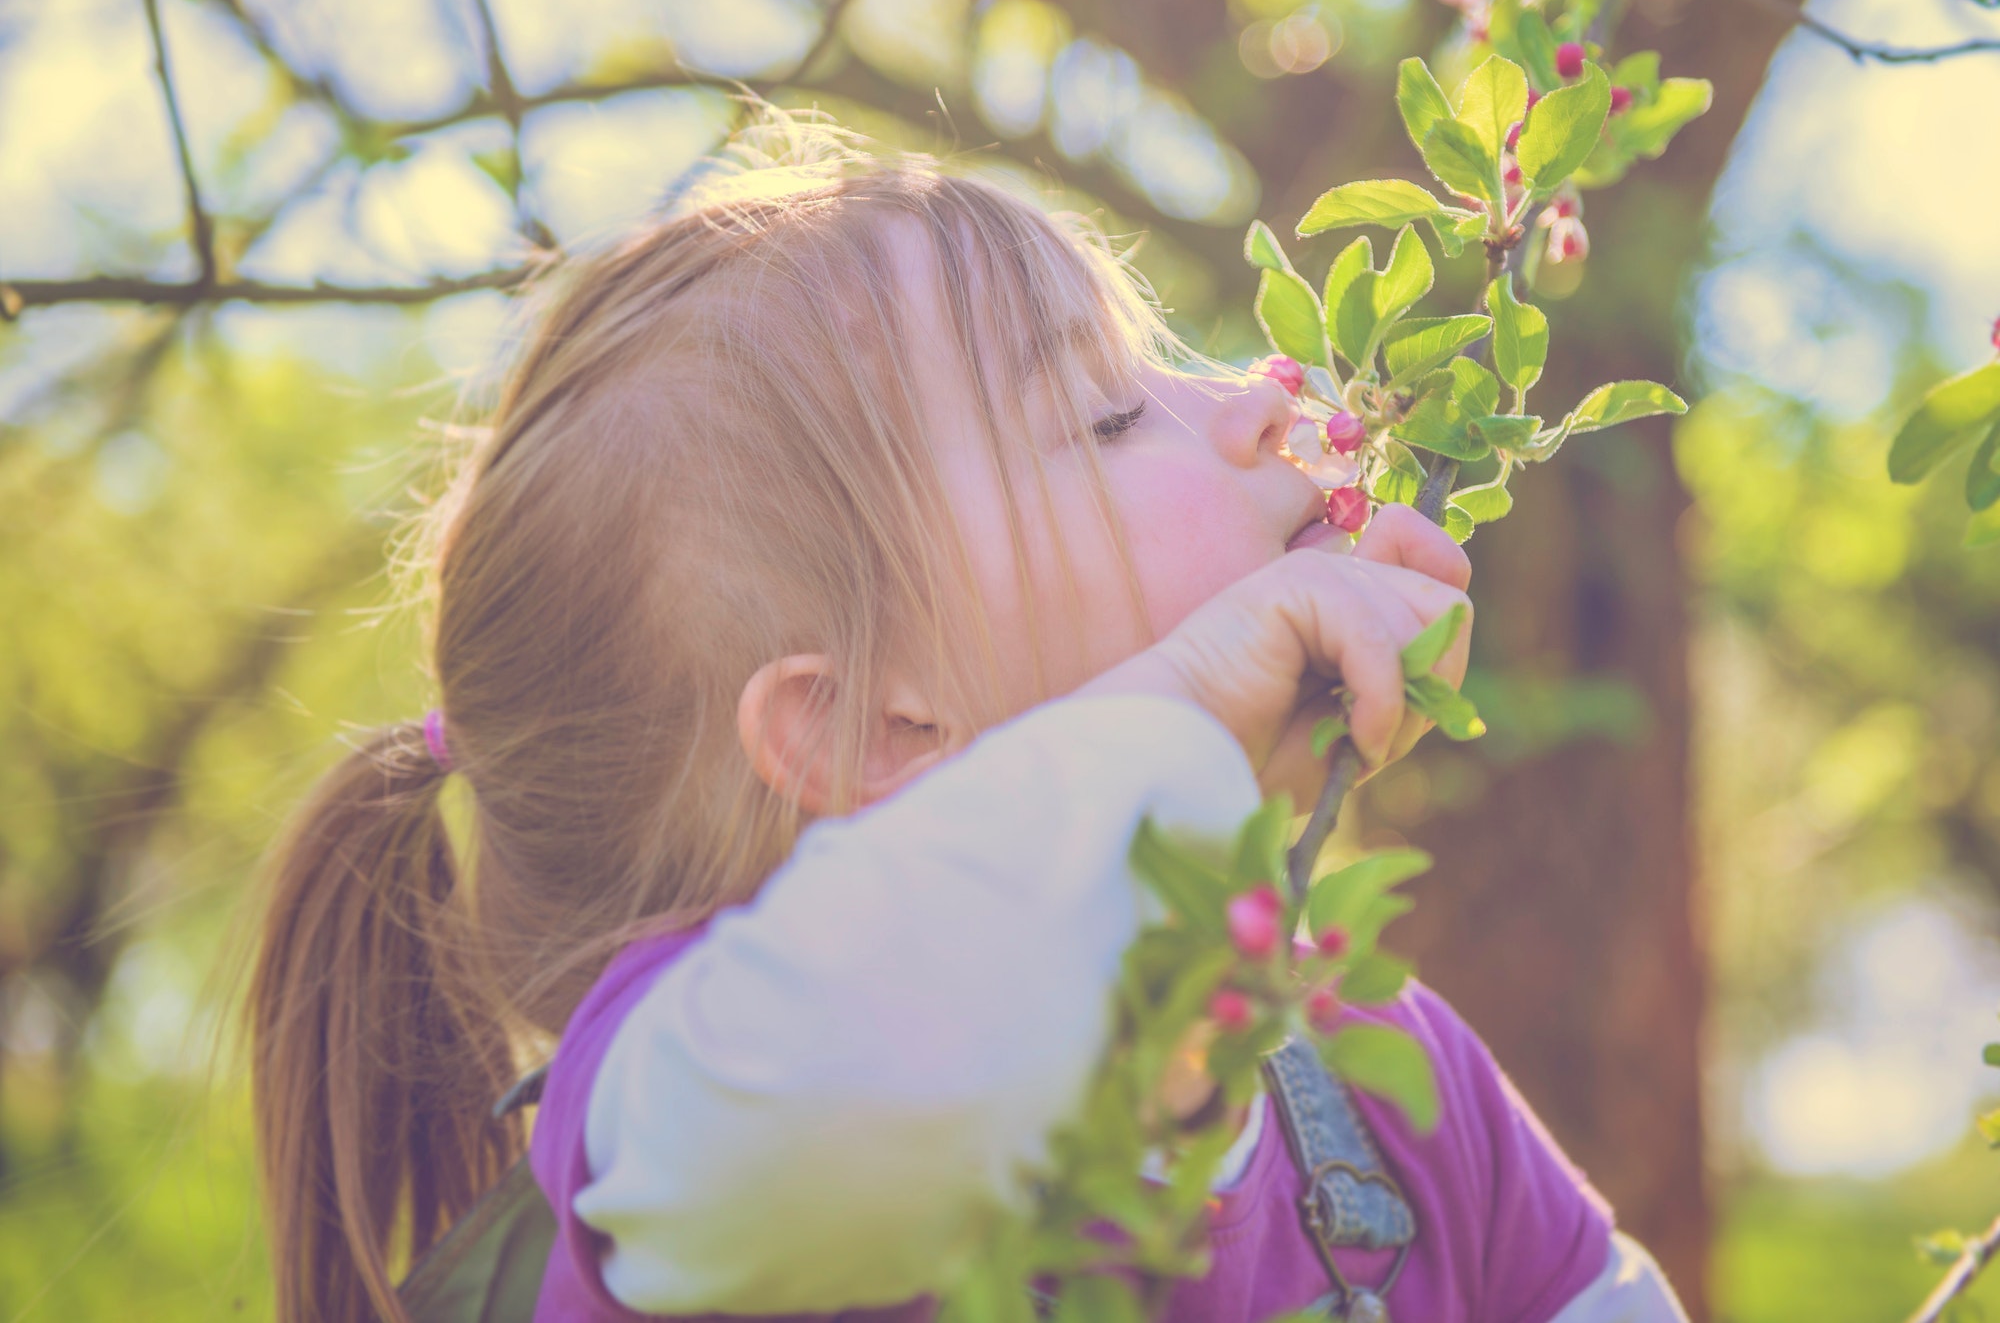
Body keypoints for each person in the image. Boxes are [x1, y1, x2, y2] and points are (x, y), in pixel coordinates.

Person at [245, 115, 1687, 1323]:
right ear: (877, 727)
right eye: (1110, 416)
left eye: (1165, 361)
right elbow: (857, 1075)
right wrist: (1192, 700)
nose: (1263, 394)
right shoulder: (700, 1106)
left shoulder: (1376, 1070)